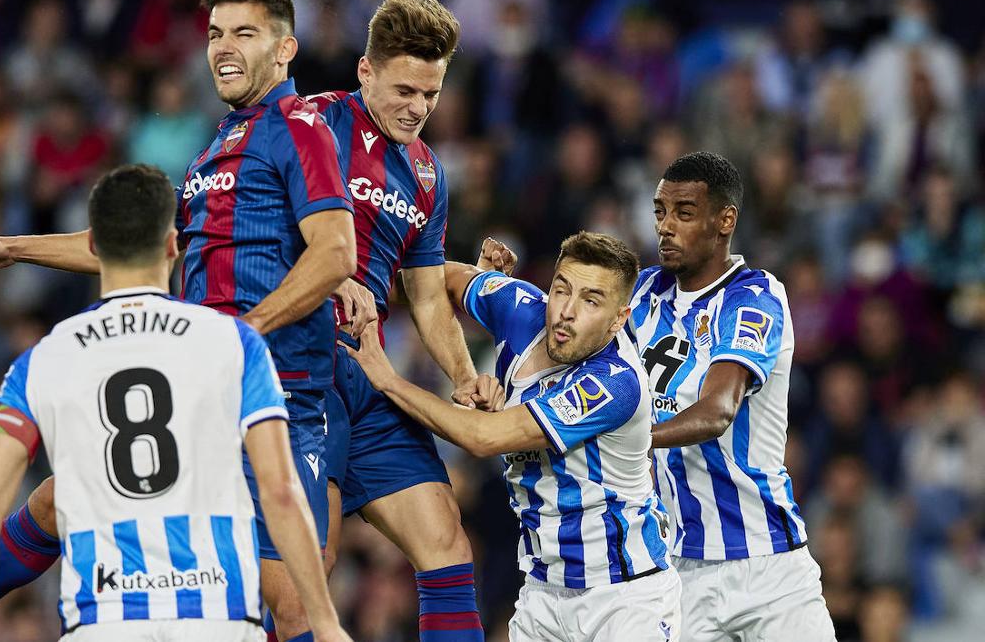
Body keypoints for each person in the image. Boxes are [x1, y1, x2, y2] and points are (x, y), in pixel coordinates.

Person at [0, 0, 356, 642]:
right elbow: (131, 245)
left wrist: (245, 335)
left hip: (276, 391)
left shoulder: (298, 127)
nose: (223, 49)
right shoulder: (218, 147)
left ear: (285, 49)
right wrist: (13, 248)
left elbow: (334, 251)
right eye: (214, 34)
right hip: (203, 388)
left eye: (245, 34)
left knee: (289, 600)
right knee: (60, 500)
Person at [0, 164, 347, 642]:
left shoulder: (45, 359)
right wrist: (326, 624)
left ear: (94, 246)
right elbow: (281, 492)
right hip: (214, 620)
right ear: (173, 245)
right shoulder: (233, 344)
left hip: (103, 623)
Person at [344, 231, 678, 641]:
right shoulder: (519, 306)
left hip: (624, 599)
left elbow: (482, 437)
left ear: (618, 318)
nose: (567, 312)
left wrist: (388, 380)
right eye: (561, 290)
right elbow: (428, 280)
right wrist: (363, 291)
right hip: (542, 591)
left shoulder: (615, 383)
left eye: (590, 301)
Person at [307, 0, 486, 641]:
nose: (418, 109)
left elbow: (428, 294)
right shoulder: (310, 124)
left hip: (368, 374)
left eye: (431, 96)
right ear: (365, 71)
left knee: (446, 539)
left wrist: (462, 375)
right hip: (296, 371)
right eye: (405, 90)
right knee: (309, 564)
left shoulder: (429, 176)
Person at [628, 151, 833, 640]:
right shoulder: (639, 294)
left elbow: (718, 411)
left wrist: (626, 440)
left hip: (771, 566)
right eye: (660, 211)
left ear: (725, 221)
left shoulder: (754, 295)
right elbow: (561, 334)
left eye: (684, 212)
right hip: (681, 570)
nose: (665, 227)